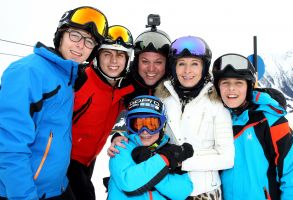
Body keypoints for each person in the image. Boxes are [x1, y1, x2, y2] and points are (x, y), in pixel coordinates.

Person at [0, 6, 108, 199]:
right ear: (60, 36)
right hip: (23, 192)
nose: (80, 45)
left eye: (89, 41)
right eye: (75, 35)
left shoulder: (67, 78)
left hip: (57, 188)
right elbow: (9, 147)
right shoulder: (28, 71)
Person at [155, 36, 235, 199]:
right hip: (166, 189)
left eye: (194, 64)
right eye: (181, 64)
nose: (187, 71)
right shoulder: (163, 100)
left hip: (203, 192)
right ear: (174, 67)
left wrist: (180, 161)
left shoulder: (216, 104)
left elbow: (227, 158)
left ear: (204, 68)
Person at [212, 53, 293, 200]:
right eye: (225, 82)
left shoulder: (269, 121)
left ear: (249, 87)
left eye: (239, 83)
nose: (231, 89)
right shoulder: (216, 120)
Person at [67, 25, 135, 199]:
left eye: (120, 55)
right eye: (107, 54)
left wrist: (117, 135)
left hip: (88, 161)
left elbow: (125, 119)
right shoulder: (79, 80)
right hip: (64, 161)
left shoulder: (123, 91)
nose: (114, 61)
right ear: (97, 56)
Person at [108, 95, 194, 199]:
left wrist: (151, 161)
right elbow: (129, 183)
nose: (144, 131)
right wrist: (164, 160)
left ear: (162, 125)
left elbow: (182, 192)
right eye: (138, 124)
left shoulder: (171, 150)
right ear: (129, 125)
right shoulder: (121, 147)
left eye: (152, 124)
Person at [108, 20, 172, 156]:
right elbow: (115, 114)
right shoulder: (125, 83)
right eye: (145, 61)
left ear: (168, 64)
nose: (151, 69)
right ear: (136, 62)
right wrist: (117, 135)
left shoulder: (173, 86)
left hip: (168, 153)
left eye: (158, 62)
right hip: (133, 151)